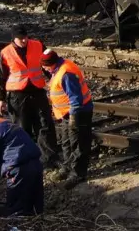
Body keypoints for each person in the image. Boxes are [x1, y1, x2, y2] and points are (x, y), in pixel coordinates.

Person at [0, 25, 59, 167]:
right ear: (13, 39)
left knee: (44, 125)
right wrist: (1, 99)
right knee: (22, 128)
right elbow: (0, 77)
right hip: (18, 95)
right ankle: (25, 160)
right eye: (20, 38)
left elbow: (48, 65)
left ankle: (49, 159)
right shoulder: (5, 53)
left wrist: (55, 79)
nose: (24, 40)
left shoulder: (37, 45)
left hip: (37, 91)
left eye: (25, 37)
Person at [40, 48, 94, 187]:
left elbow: (76, 98)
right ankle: (67, 167)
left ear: (52, 63)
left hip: (77, 113)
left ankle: (78, 174)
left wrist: (74, 119)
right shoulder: (58, 69)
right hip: (66, 114)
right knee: (66, 142)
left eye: (45, 65)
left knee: (78, 143)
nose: (43, 68)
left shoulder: (66, 74)